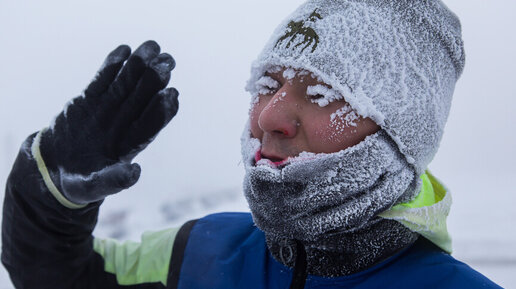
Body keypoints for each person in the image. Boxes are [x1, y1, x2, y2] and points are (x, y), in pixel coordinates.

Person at [1, 1, 502, 288]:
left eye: (324, 92)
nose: (268, 117)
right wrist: (50, 192)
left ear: (402, 135)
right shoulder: (197, 252)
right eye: (267, 85)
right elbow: (64, 278)